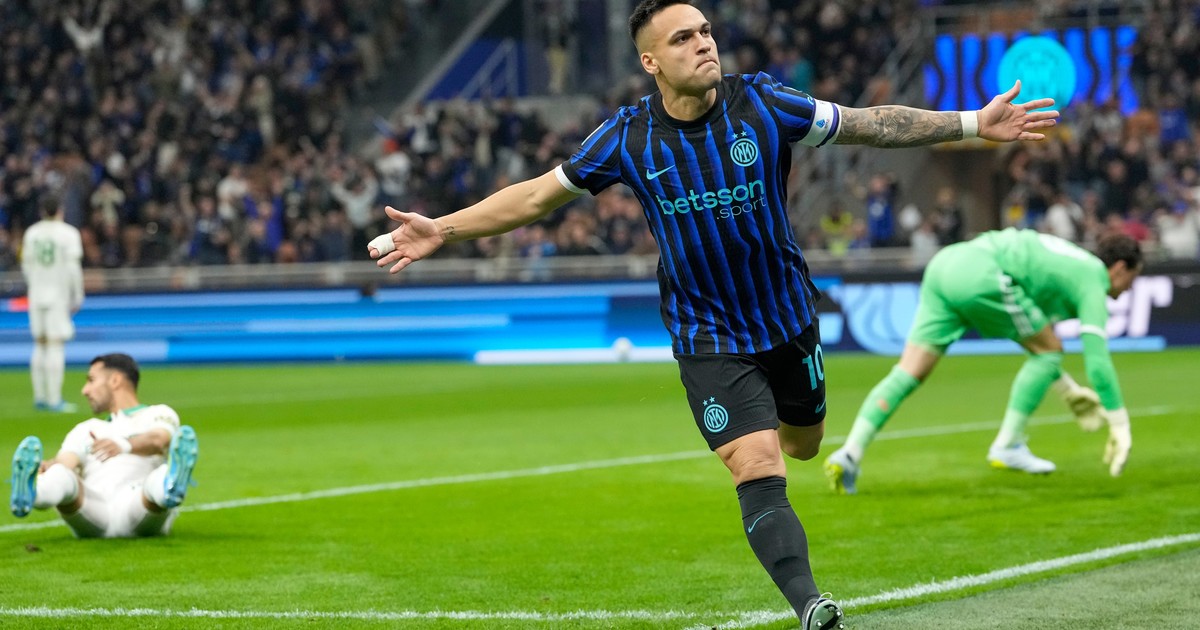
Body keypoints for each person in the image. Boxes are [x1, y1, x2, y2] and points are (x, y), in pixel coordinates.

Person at [367, 1, 1057, 626]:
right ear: (651, 61)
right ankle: (810, 605)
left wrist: (972, 123)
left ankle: (780, 442)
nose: (703, 44)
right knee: (757, 462)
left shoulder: (764, 104)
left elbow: (867, 124)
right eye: (682, 38)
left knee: (803, 444)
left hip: (787, 317)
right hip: (707, 335)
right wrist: (444, 229)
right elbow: (535, 197)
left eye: (705, 31)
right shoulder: (627, 138)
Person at [824, 230, 1141, 495]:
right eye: (1132, 278)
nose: (1129, 288)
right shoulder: (1093, 278)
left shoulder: (1068, 266)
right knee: (1050, 350)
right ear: (1119, 268)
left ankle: (850, 453)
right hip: (982, 272)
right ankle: (1009, 444)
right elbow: (1096, 361)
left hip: (945, 265)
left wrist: (1066, 387)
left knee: (909, 371)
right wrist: (1119, 423)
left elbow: (1032, 338)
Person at [8, 353, 199, 539]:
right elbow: (65, 462)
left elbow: (159, 440)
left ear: (115, 381)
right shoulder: (86, 429)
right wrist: (45, 467)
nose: (85, 390)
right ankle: (32, 494)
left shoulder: (157, 413)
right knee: (60, 474)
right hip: (95, 508)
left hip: (140, 503)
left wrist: (124, 445)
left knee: (158, 477)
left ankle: (171, 490)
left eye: (91, 380)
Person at [21, 195, 85, 413]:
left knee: (40, 344)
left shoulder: (32, 233)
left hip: (36, 293)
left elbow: (26, 265)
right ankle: (54, 399)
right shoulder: (68, 233)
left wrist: (34, 285)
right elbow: (73, 268)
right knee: (56, 345)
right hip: (57, 294)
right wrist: (77, 295)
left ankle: (40, 396)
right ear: (60, 210)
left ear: (42, 211)